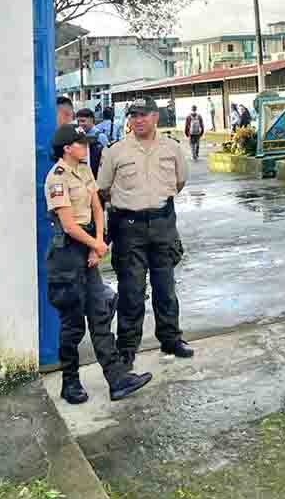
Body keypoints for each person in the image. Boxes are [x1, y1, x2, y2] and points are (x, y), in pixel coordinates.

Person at [45, 124, 152, 404]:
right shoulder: (56, 178)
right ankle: (70, 383)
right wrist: (95, 245)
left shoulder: (83, 169)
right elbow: (68, 225)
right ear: (67, 148)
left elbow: (96, 206)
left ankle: (117, 380)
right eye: (81, 143)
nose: (86, 146)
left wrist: (98, 241)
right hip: (67, 255)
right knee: (72, 324)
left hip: (90, 245)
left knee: (100, 316)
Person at [97, 96, 194, 368]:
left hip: (163, 224)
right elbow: (103, 188)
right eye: (134, 115)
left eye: (143, 114)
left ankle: (171, 338)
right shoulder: (115, 151)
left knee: (165, 287)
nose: (138, 120)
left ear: (155, 117)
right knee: (132, 291)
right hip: (129, 228)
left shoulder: (172, 148)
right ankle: (126, 349)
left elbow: (180, 180)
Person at [76, 107, 108, 178]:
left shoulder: (101, 137)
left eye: (83, 121)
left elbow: (107, 159)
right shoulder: (77, 135)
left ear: (91, 120)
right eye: (78, 121)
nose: (80, 124)